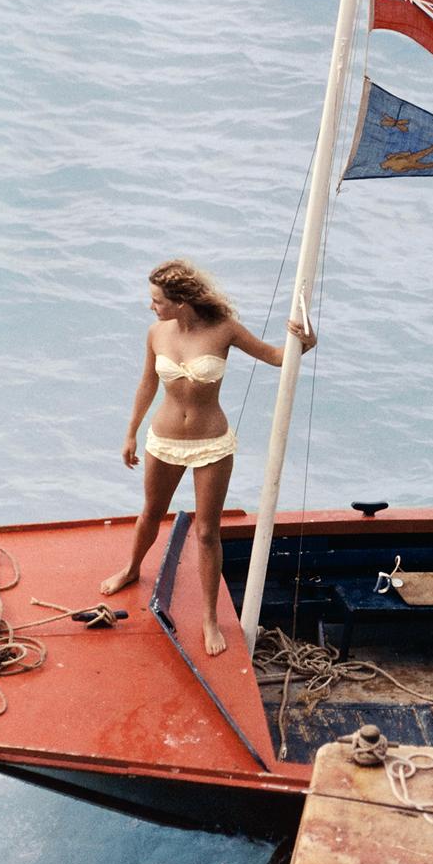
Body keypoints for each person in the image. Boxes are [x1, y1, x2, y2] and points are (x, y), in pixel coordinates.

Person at [100, 259, 316, 656]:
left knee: (206, 531)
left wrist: (305, 340)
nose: (151, 306)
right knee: (150, 513)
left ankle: (209, 618)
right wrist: (130, 431)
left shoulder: (224, 330)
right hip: (163, 439)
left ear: (180, 302)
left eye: (156, 300)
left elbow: (276, 356)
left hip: (210, 442)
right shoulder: (156, 333)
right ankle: (132, 569)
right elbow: (148, 383)